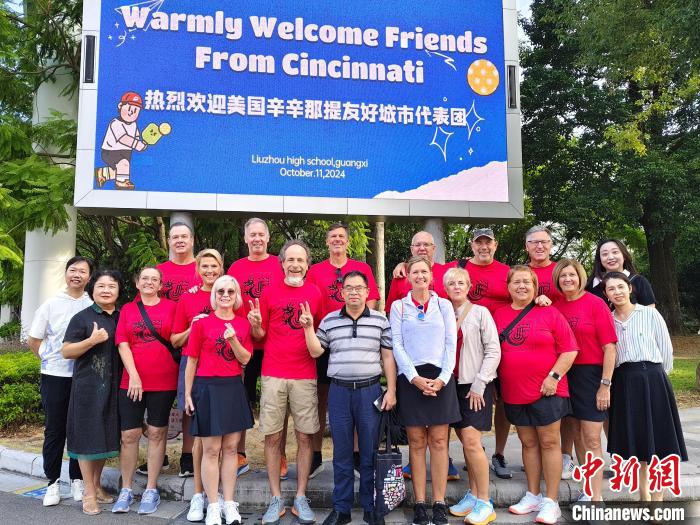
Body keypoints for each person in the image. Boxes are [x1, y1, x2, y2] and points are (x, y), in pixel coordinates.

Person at [302, 270, 396, 525]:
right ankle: (341, 508)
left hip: (369, 391)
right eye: (349, 288)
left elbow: (388, 357)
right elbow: (315, 351)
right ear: (341, 293)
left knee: (369, 452)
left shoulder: (380, 321)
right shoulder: (330, 321)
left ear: (367, 292)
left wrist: (391, 390)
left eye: (359, 288)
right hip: (339, 392)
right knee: (342, 453)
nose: (354, 292)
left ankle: (370, 507)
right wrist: (309, 328)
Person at [493, 265, 578, 525]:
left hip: (547, 390)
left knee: (549, 442)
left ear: (535, 287)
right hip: (514, 391)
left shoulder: (549, 312)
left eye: (527, 282)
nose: (522, 286)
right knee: (528, 443)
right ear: (508, 287)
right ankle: (533, 494)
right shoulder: (499, 314)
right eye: (516, 282)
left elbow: (570, 350)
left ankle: (551, 501)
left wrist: (554, 377)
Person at [247, 240, 322, 525]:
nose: (295, 265)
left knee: (305, 437)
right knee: (272, 436)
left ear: (307, 265)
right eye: (290, 260)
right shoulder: (269, 292)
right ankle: (275, 497)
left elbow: (319, 339)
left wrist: (308, 326)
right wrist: (255, 324)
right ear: (282, 264)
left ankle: (301, 496)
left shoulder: (315, 293)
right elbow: (259, 335)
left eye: (300, 260)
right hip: (273, 373)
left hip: (305, 373)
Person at [603, 272, 687, 503]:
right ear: (606, 294)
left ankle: (657, 498)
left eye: (621, 286)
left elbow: (666, 349)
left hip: (653, 379)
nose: (617, 292)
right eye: (611, 289)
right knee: (638, 440)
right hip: (624, 381)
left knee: (658, 439)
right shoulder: (608, 320)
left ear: (630, 288)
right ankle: (644, 494)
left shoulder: (650, 314)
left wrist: (657, 377)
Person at [306, 222, 381, 479]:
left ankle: (358, 455)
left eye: (341, 236)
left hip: (355, 339)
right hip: (325, 339)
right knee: (321, 398)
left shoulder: (361, 268)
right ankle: (316, 454)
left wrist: (361, 325)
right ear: (327, 241)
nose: (337, 240)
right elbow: (310, 301)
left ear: (347, 241)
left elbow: (372, 299)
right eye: (333, 237)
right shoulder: (315, 271)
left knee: (358, 399)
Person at [390, 255, 460, 525]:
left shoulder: (444, 305)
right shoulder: (399, 306)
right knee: (417, 442)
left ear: (431, 276)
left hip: (441, 377)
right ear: (408, 277)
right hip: (412, 378)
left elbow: (451, 343)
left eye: (424, 272)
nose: (419, 276)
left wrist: (442, 378)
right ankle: (419, 503)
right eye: (415, 272)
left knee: (439, 442)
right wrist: (414, 378)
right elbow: (397, 345)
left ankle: (439, 502)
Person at [184, 275, 254, 525]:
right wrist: (188, 393)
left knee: (231, 449)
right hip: (207, 388)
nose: (225, 295)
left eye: (230, 291)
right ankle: (213, 504)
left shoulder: (243, 324)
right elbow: (192, 360)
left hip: (232, 387)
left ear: (237, 296)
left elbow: (245, 359)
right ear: (214, 294)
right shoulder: (202, 323)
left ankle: (229, 503)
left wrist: (233, 339)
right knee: (211, 449)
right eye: (220, 291)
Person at [28, 256, 94, 507]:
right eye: (73, 270)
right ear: (66, 273)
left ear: (89, 277)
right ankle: (53, 482)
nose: (77, 275)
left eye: (83, 271)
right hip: (55, 376)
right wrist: (48, 359)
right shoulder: (51, 304)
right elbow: (34, 339)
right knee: (55, 430)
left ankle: (77, 479)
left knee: (79, 429)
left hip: (84, 377)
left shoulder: (92, 304)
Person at [112, 267, 178, 514]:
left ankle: (151, 488)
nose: (149, 282)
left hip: (164, 379)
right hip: (131, 381)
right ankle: (126, 489)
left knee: (157, 432)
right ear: (137, 283)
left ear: (161, 285)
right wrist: (134, 376)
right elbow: (122, 343)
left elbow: (177, 339)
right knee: (129, 434)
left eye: (154, 279)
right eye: (145, 279)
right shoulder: (128, 310)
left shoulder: (172, 307)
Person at [552, 259, 617, 502]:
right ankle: (586, 488)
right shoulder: (555, 306)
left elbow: (610, 348)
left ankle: (595, 497)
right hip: (565, 374)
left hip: (591, 376)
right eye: (563, 275)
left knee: (591, 437)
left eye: (572, 275)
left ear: (580, 277)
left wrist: (605, 385)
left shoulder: (595, 303)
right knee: (575, 432)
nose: (567, 279)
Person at [61, 269, 123, 515]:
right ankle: (88, 492)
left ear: (118, 291)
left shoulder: (122, 316)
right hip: (88, 388)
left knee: (105, 436)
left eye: (111, 286)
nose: (106, 290)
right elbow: (66, 351)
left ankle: (96, 485)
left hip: (114, 386)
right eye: (101, 286)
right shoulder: (82, 318)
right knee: (88, 439)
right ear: (92, 289)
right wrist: (91, 340)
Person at [227, 218, 285, 478]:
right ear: (245, 238)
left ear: (268, 238)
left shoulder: (279, 264)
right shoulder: (236, 267)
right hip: (244, 344)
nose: (257, 238)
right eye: (253, 234)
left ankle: (279, 455)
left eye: (261, 234)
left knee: (277, 403)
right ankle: (239, 453)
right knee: (241, 399)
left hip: (274, 343)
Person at [443, 267, 500, 525]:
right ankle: (474, 494)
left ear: (468, 286)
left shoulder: (480, 313)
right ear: (445, 288)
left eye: (461, 283)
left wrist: (480, 382)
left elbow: (493, 350)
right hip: (450, 385)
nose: (456, 287)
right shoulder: (443, 312)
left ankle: (485, 502)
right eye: (451, 283)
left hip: (474, 384)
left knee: (472, 441)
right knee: (465, 442)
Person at [171, 248, 224, 521]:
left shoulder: (229, 293)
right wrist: (194, 327)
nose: (210, 271)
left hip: (224, 371)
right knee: (199, 435)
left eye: (214, 266)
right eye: (205, 266)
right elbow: (175, 339)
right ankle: (198, 494)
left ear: (221, 268)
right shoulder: (188, 298)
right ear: (197, 269)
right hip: (194, 368)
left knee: (221, 438)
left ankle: (219, 495)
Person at [459, 228, 513, 480]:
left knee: (502, 400)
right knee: (466, 399)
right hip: (469, 346)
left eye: (488, 242)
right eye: (478, 242)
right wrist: (403, 266)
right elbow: (425, 266)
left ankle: (498, 453)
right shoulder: (459, 267)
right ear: (472, 245)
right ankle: (474, 450)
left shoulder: (506, 272)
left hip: (501, 343)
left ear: (495, 245)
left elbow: (525, 290)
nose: (483, 246)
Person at [157, 221, 201, 480]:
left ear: (192, 239)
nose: (180, 241)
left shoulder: (202, 269)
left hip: (193, 346)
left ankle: (187, 455)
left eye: (184, 236)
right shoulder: (159, 271)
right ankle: (158, 455)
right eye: (175, 237)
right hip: (163, 344)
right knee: (159, 403)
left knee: (189, 403)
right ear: (169, 241)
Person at [586, 239, 656, 309]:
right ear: (599, 259)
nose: (610, 257)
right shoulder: (591, 285)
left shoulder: (639, 281)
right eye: (605, 254)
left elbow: (650, 310)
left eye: (615, 252)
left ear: (624, 256)